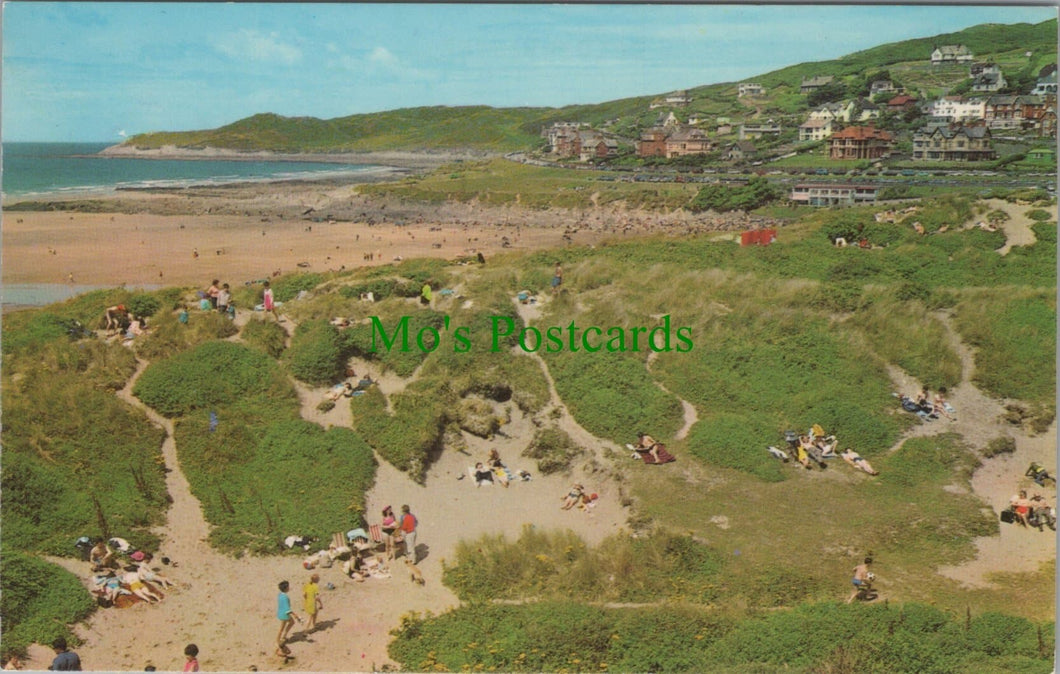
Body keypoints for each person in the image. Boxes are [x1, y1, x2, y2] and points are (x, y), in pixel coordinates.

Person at [275, 580, 300, 654]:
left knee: (292, 622)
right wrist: (295, 615)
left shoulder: (280, 595)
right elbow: (287, 609)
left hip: (281, 612)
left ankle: (284, 636)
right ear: (286, 588)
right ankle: (278, 640)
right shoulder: (285, 597)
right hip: (284, 614)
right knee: (282, 628)